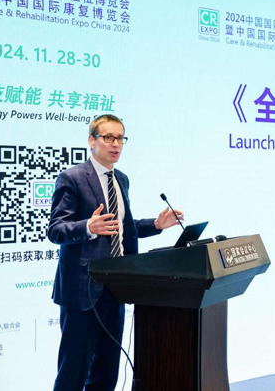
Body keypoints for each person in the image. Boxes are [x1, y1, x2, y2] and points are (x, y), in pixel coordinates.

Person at [47, 114, 184, 391]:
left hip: (116, 288)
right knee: (72, 373)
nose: (116, 144)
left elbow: (122, 228)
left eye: (120, 138)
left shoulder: (121, 179)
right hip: (83, 291)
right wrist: (88, 226)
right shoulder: (72, 178)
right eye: (108, 137)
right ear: (91, 141)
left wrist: (156, 225)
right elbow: (55, 229)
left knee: (106, 374)